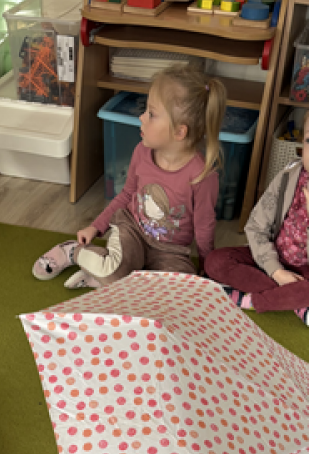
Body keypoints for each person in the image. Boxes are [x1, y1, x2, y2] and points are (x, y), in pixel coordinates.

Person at [32, 64, 226, 290]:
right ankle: (74, 252)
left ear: (179, 132)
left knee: (180, 290)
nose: (142, 117)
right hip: (132, 232)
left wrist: (206, 267)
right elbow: (126, 195)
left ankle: (101, 278)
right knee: (113, 270)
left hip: (171, 251)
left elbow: (204, 227)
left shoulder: (203, 176)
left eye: (151, 114)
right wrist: (96, 227)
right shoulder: (142, 152)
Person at [205, 92, 309, 329]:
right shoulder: (289, 177)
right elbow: (256, 227)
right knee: (215, 261)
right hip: (271, 259)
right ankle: (297, 301)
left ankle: (252, 300)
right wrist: (276, 271)